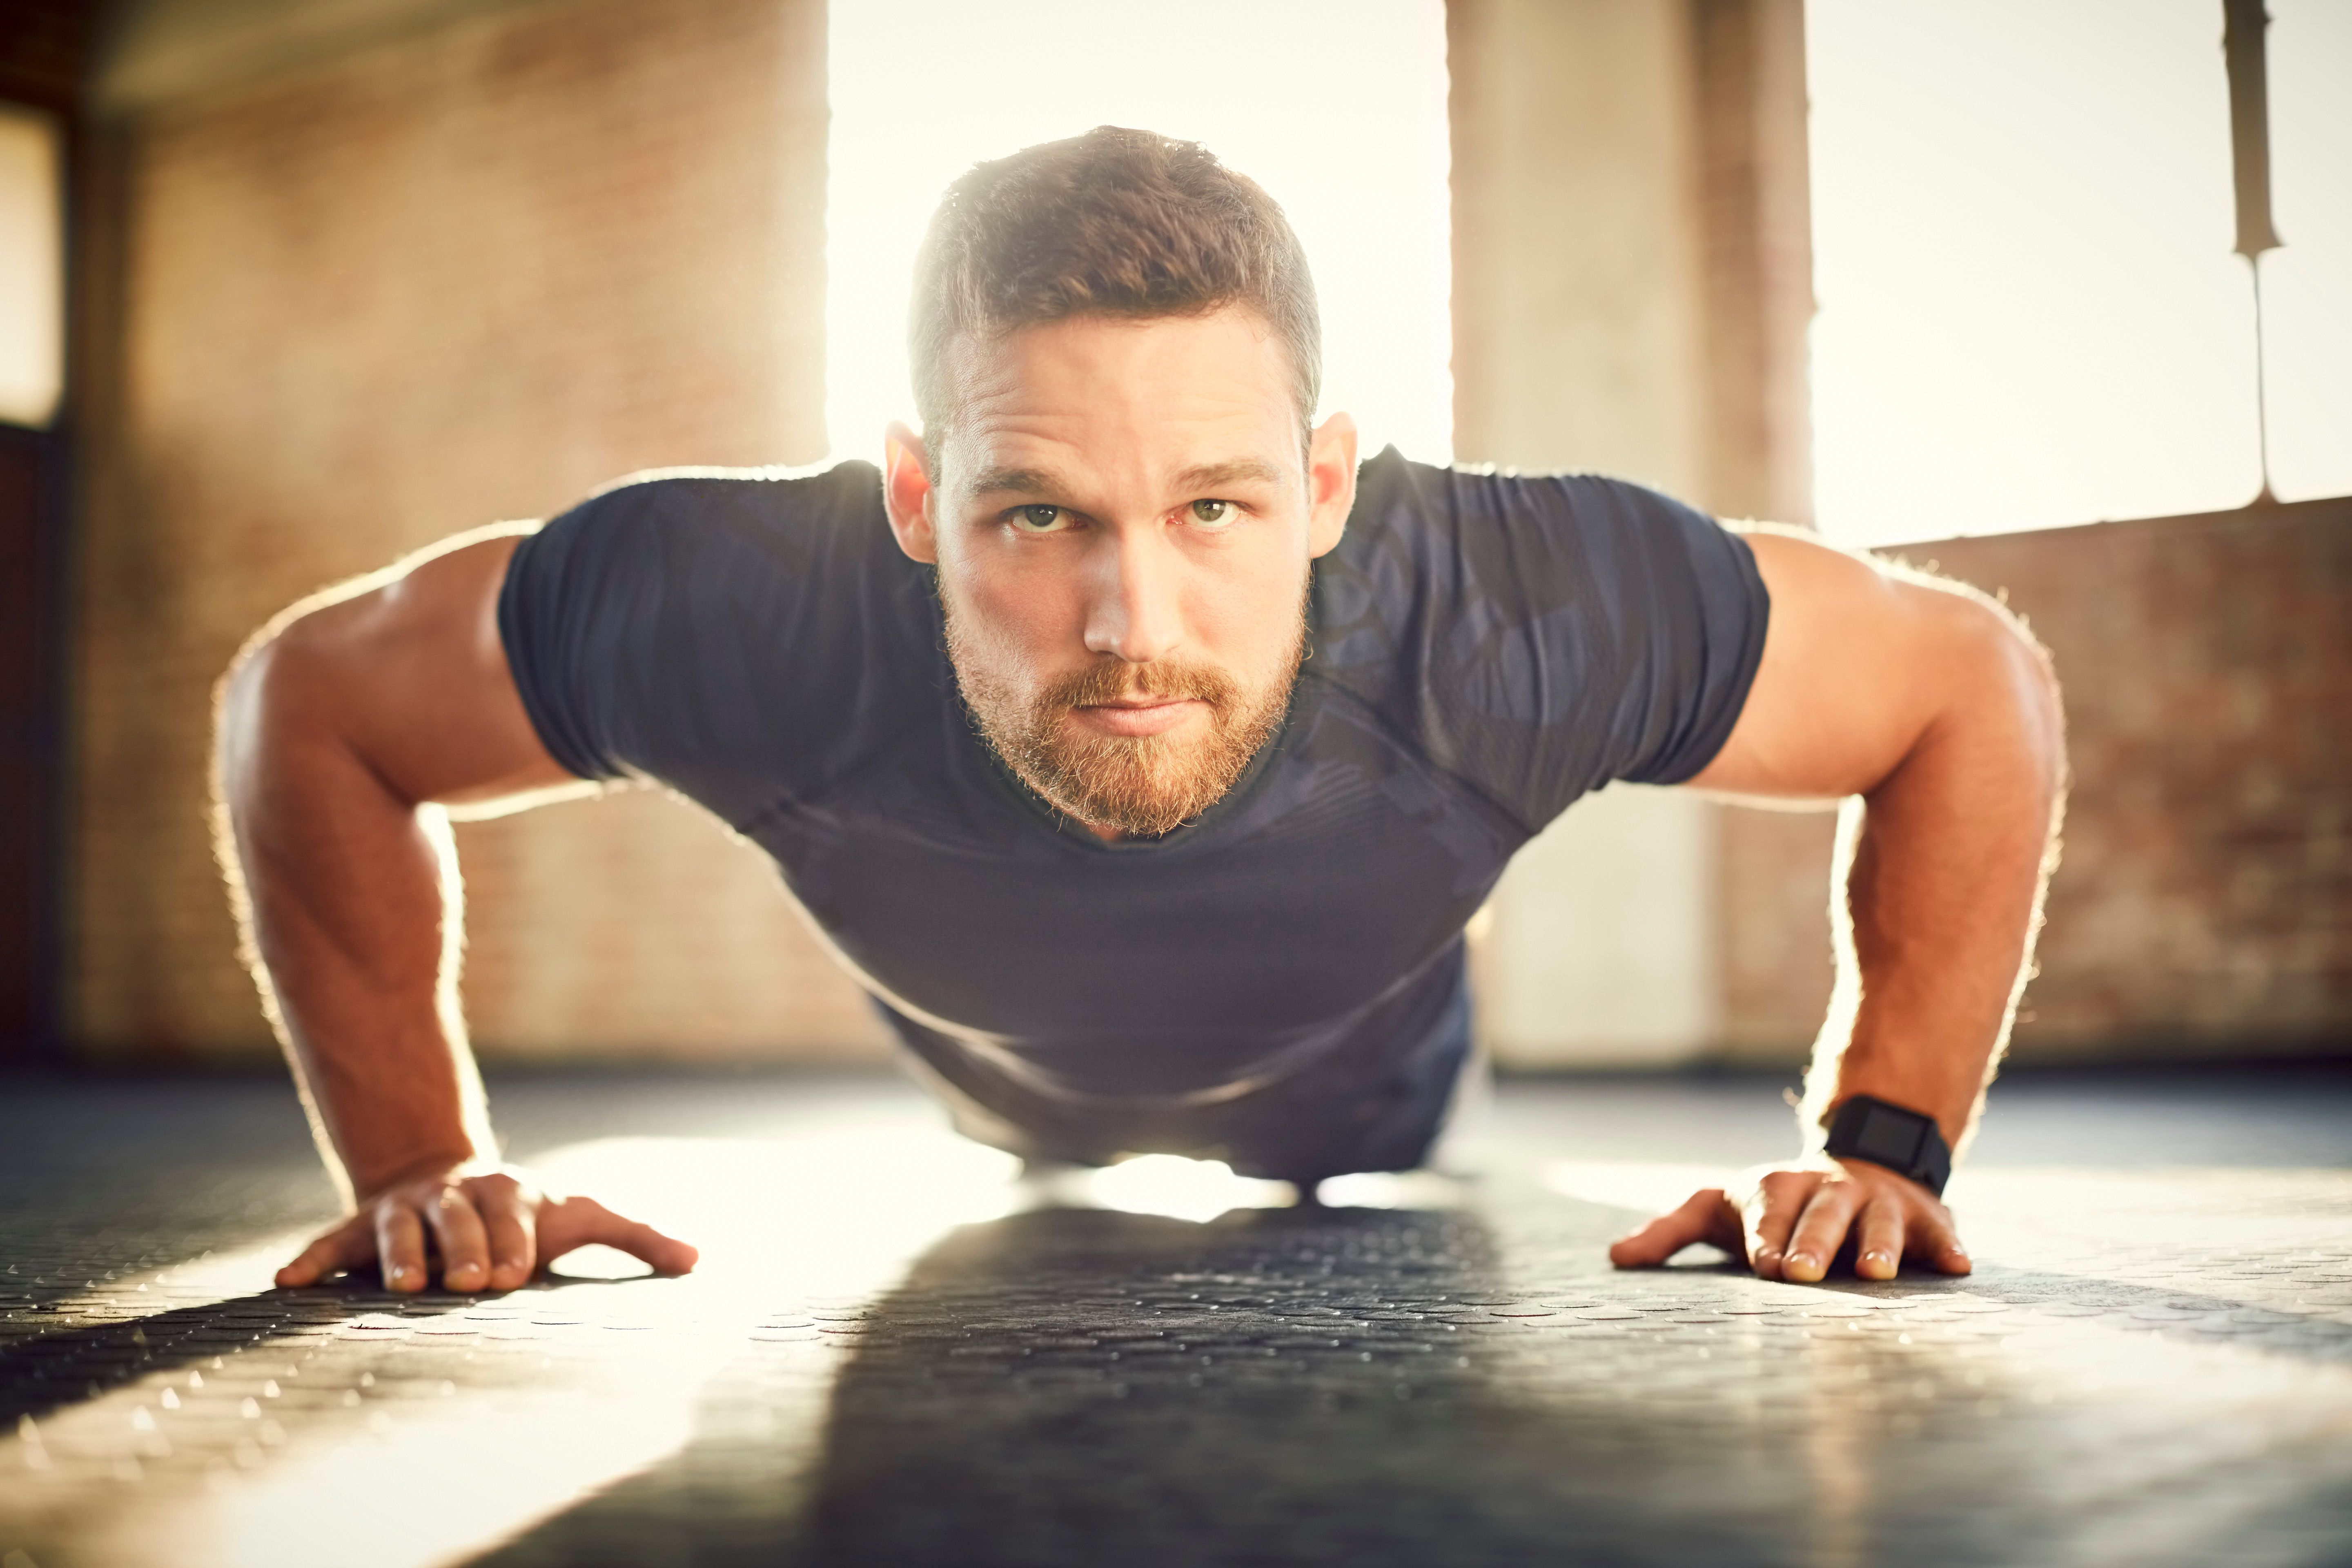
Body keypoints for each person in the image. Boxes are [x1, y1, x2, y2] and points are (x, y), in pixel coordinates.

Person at [216, 127, 2063, 1298]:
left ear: (1325, 486)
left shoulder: (1511, 609)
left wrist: (1877, 1150)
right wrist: (420, 1167)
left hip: (1370, 1097)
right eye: (1039, 516)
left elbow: (1964, 685)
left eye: (1215, 508)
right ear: (918, 496)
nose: (1133, 624)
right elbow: (312, 703)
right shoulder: (741, 607)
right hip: (998, 1093)